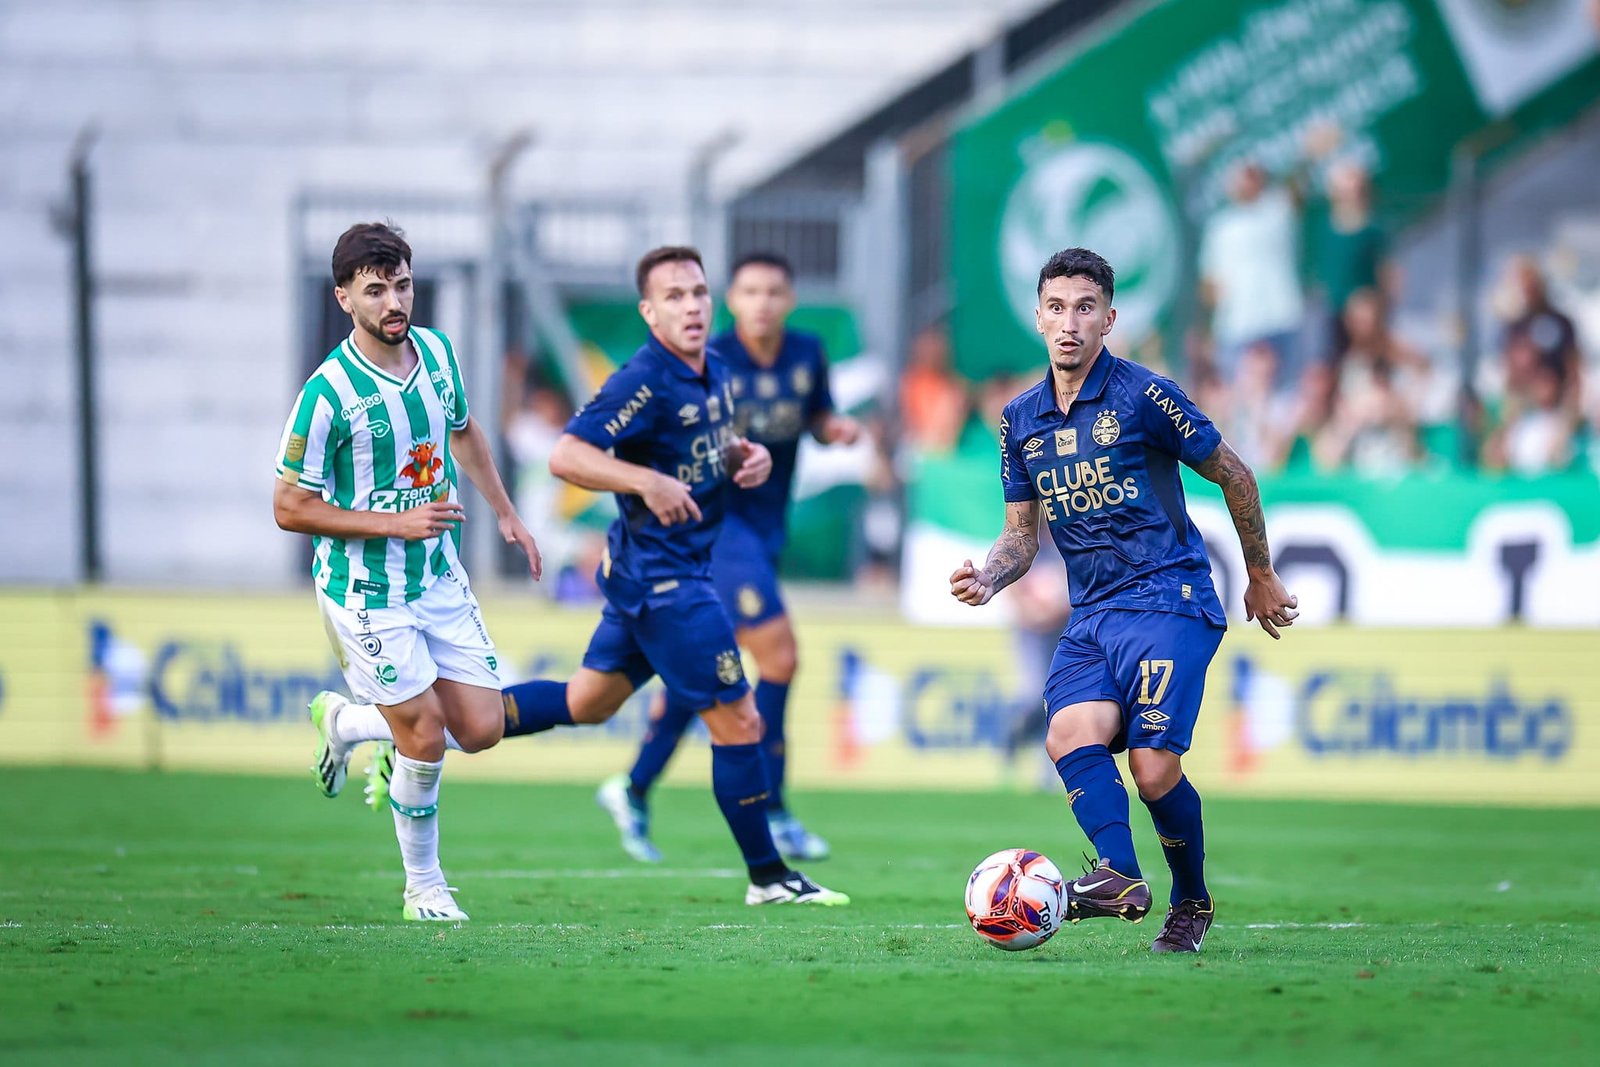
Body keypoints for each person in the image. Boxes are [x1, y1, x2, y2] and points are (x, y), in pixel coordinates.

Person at [949, 247, 1298, 954]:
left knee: (1151, 767)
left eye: (1085, 308)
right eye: (1056, 307)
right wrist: (991, 576)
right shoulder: (1020, 418)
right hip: (1094, 614)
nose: (1069, 322)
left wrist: (1260, 574)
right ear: (1037, 315)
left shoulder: (1146, 395)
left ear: (1109, 318)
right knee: (1067, 734)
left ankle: (1192, 900)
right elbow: (1022, 535)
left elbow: (1234, 473)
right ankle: (1123, 877)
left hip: (1172, 597)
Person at [274, 221, 542, 922]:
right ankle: (424, 886)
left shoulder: (437, 353)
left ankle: (352, 723)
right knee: (423, 733)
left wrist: (506, 511)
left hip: (436, 576)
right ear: (343, 297)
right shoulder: (326, 395)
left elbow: (463, 430)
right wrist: (393, 522)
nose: (394, 301)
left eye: (402, 285)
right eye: (375, 290)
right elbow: (288, 505)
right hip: (366, 592)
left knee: (481, 727)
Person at [594, 252, 860, 864]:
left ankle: (632, 787)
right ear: (731, 301)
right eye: (749, 291)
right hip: (719, 528)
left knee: (703, 675)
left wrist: (833, 429)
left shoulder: (807, 354)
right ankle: (772, 807)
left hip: (765, 531)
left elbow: (815, 416)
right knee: (780, 656)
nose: (762, 301)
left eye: (774, 290)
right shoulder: (710, 363)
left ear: (789, 299)